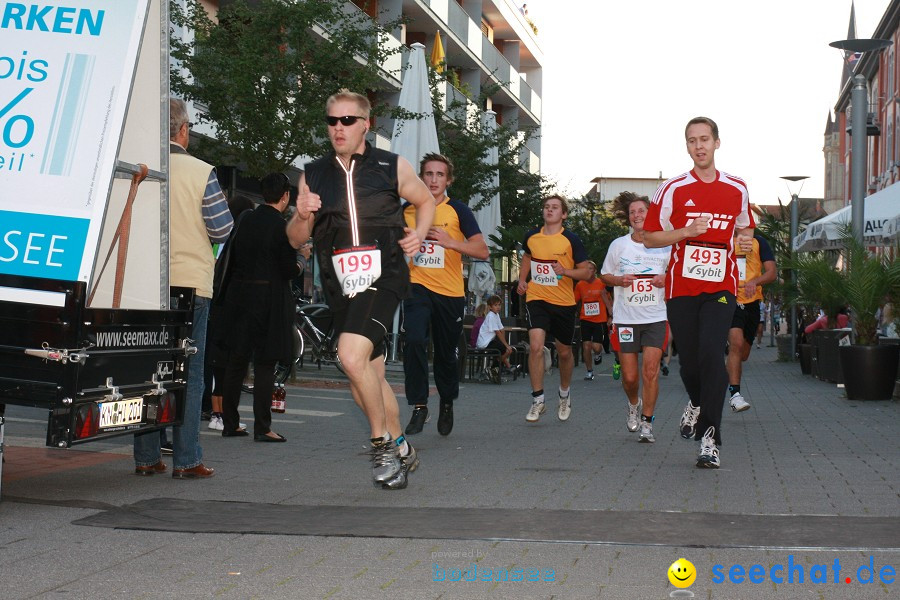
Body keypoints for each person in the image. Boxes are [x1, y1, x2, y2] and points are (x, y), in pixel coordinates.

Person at [286, 89, 434, 490]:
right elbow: (295, 237)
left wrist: (418, 235)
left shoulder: (390, 166)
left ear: (365, 124)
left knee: (349, 355)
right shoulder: (312, 174)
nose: (338, 128)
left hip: (382, 276)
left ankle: (381, 446)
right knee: (366, 374)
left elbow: (424, 201)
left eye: (347, 120)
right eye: (332, 121)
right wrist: (301, 215)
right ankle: (402, 444)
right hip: (339, 285)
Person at [643, 116, 753, 469]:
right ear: (687, 146)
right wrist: (687, 231)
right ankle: (696, 403)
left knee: (711, 354)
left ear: (717, 143)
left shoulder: (737, 188)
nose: (699, 146)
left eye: (705, 139)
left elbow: (745, 230)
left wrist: (745, 242)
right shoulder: (673, 189)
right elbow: (649, 237)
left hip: (721, 286)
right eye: (692, 141)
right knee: (689, 363)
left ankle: (709, 438)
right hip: (682, 287)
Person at [133, 98, 233, 479]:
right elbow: (222, 228)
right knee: (189, 373)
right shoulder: (201, 171)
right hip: (190, 284)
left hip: (144, 285)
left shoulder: (142, 169)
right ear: (183, 129)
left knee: (149, 371)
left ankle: (146, 457)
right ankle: (187, 459)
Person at [402, 153, 489, 437]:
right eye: (428, 174)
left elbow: (482, 250)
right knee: (413, 339)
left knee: (445, 354)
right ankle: (418, 405)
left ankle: (447, 401)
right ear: (421, 178)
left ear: (448, 180)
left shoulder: (458, 211)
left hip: (450, 293)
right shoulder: (408, 210)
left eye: (440, 175)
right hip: (416, 286)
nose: (434, 179)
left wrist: (450, 242)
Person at [220, 173, 300, 443]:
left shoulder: (246, 220)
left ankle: (230, 422)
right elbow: (288, 268)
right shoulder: (283, 227)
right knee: (265, 364)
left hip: (240, 297)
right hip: (269, 300)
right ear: (285, 196)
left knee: (236, 361)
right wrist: (301, 261)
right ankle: (262, 427)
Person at [600, 192, 671, 443]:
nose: (637, 215)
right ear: (628, 218)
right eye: (632, 212)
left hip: (655, 317)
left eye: (641, 211)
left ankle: (648, 423)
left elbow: (676, 274)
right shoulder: (619, 245)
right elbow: (604, 275)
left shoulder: (665, 245)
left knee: (650, 372)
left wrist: (666, 279)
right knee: (630, 378)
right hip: (626, 318)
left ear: (650, 213)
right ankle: (633, 403)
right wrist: (619, 280)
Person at [517, 195, 592, 423]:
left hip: (563, 302)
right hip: (537, 297)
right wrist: (522, 279)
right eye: (547, 207)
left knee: (564, 352)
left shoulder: (571, 240)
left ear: (564, 214)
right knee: (536, 347)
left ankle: (564, 392)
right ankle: (538, 400)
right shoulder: (532, 236)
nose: (550, 210)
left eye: (555, 207)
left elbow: (586, 272)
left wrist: (565, 271)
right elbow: (528, 258)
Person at [207, 193, 255, 432]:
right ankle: (219, 415)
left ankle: (219, 414)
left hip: (215, 304)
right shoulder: (230, 239)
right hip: (223, 306)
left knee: (219, 365)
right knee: (223, 366)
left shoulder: (222, 237)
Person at [725, 233, 776, 413]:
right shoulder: (722, 237)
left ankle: (726, 370)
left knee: (742, 354)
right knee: (736, 344)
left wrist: (754, 281)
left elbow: (771, 273)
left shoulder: (759, 241)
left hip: (752, 302)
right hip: (728, 299)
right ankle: (735, 395)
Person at [574, 261, 612, 380]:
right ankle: (589, 371)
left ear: (595, 271)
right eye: (586, 269)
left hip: (599, 319)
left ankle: (598, 353)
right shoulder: (580, 285)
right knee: (586, 346)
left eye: (591, 269)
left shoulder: (601, 283)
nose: (588, 271)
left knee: (596, 347)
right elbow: (574, 300)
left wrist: (610, 316)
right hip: (585, 318)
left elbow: (609, 300)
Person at [476, 294, 514, 370]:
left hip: (489, 341)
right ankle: (498, 367)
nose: (498, 307)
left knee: (505, 348)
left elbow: (502, 330)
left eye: (499, 305)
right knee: (504, 349)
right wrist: (506, 345)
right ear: (490, 307)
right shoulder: (491, 316)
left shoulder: (496, 315)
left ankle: (498, 365)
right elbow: (498, 332)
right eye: (495, 305)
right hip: (484, 343)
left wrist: (504, 343)